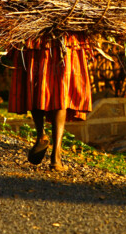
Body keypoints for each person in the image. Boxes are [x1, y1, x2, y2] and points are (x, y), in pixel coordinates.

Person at [8, 32, 93, 171]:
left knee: (35, 86)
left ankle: (41, 135)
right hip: (66, 40)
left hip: (36, 37)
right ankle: (56, 156)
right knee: (61, 91)